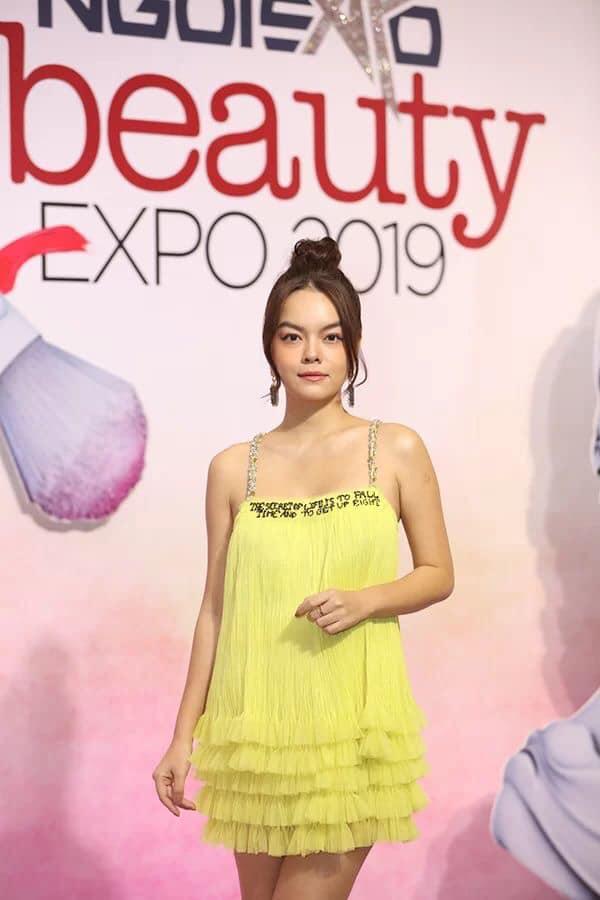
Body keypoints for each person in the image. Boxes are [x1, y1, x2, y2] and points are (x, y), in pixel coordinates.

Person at [152, 236, 455, 900]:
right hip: (256, 736)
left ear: (354, 347)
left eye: (331, 337)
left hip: (351, 730)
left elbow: (438, 572)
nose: (312, 354)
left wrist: (366, 600)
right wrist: (181, 739)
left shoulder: (395, 449)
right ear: (271, 349)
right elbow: (215, 611)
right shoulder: (232, 468)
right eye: (293, 337)